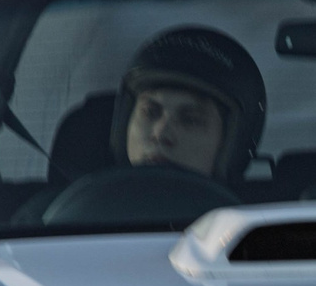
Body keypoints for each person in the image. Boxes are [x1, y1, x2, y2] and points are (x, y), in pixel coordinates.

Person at [107, 25, 267, 186]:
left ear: (232, 146)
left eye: (190, 120)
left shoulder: (261, 212)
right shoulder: (86, 207)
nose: (161, 134)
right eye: (149, 112)